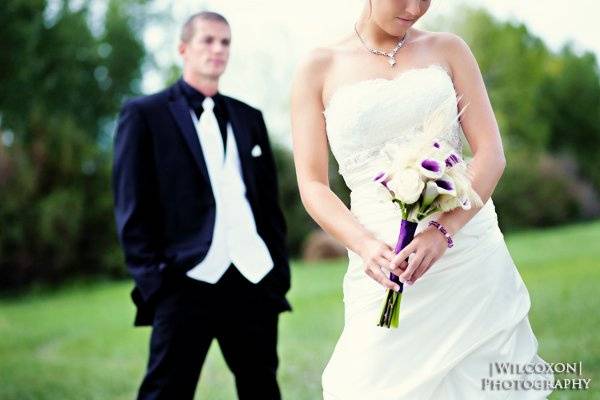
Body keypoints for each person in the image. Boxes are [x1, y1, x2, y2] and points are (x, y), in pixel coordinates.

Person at [290, 0, 554, 398]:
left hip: (467, 249)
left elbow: (491, 156)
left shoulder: (450, 49)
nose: (416, 8)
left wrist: (441, 233)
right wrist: (364, 246)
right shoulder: (318, 67)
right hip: (384, 261)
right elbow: (312, 184)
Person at [112, 11, 290, 400]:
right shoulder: (144, 115)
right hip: (183, 281)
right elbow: (131, 207)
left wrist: (277, 272)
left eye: (225, 42)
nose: (218, 50)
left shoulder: (249, 118)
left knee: (262, 389)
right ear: (183, 49)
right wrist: (155, 281)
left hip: (253, 278)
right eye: (207, 40)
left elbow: (267, 205)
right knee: (165, 392)